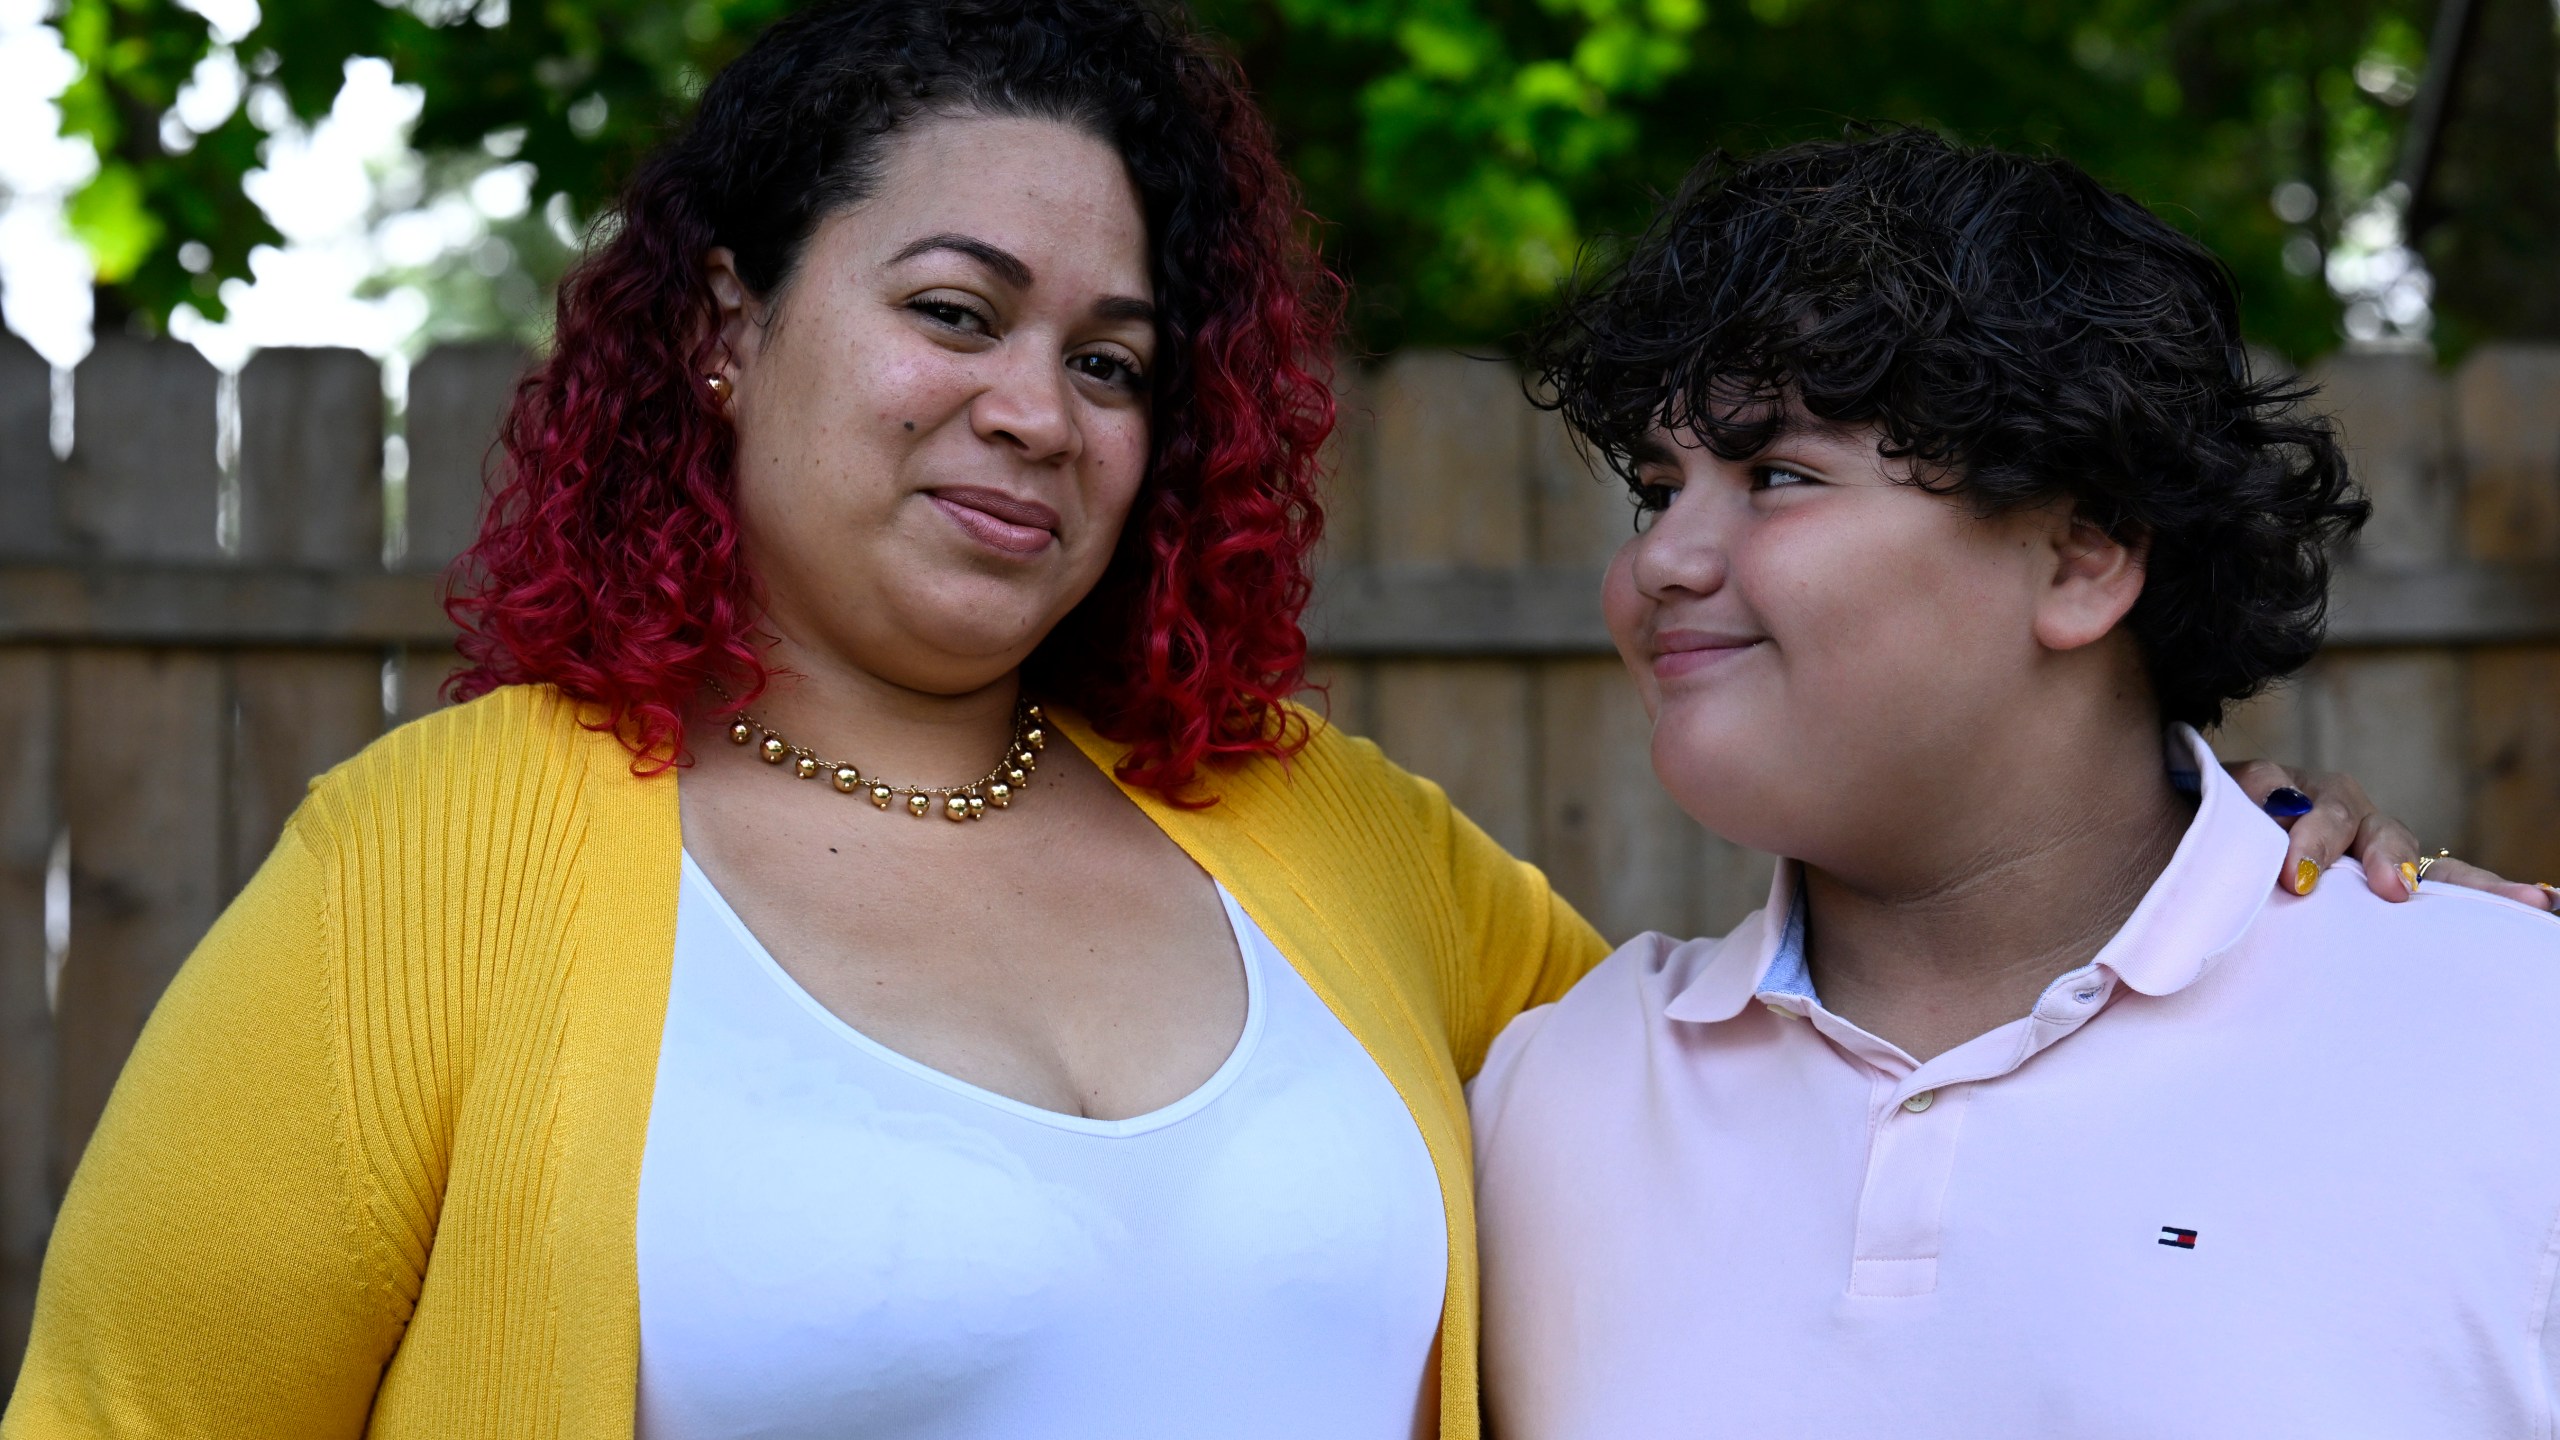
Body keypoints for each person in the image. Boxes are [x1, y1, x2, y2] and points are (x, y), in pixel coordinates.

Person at [0, 8, 2467, 1433]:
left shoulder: (1306, 839)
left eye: (1110, 364)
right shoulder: (435, 865)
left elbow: (1828, 1029)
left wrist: (2241, 862)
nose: (1033, 412)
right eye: (952, 313)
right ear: (729, 329)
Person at [1470, 130, 2560, 1440]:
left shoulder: (2509, 1038)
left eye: (1777, 477)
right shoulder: (1545, 1094)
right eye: (1658, 493)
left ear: (2083, 558)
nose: (1662, 564)